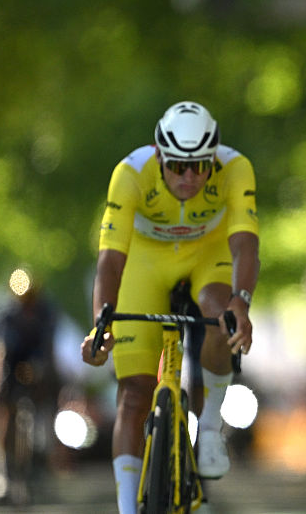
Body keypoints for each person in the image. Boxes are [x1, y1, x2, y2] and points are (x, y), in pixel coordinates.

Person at [80, 101, 259, 514]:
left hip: (207, 255)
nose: (189, 177)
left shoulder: (236, 167)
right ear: (159, 156)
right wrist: (101, 325)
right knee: (133, 393)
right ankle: (127, 508)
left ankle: (209, 428)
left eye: (200, 166)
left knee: (221, 314)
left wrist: (241, 302)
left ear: (214, 159)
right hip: (145, 261)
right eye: (178, 166)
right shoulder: (131, 173)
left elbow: (245, 244)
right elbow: (110, 260)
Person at [0, 268, 59, 505]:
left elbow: (47, 350)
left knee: (31, 415)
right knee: (3, 413)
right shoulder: (5, 315)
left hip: (34, 367)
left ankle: (29, 470)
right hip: (9, 368)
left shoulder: (45, 314)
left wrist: (39, 372)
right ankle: (1, 471)